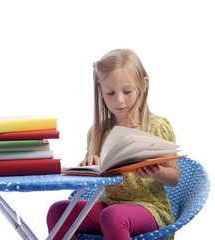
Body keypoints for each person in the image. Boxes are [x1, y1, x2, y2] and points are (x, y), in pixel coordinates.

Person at [46, 49, 180, 240]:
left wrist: (156, 171)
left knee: (113, 216)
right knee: (58, 212)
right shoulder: (98, 131)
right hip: (109, 203)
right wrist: (89, 165)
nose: (119, 100)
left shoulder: (157, 126)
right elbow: (91, 176)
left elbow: (174, 178)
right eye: (110, 92)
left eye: (127, 91)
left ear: (143, 84)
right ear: (100, 91)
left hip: (150, 209)